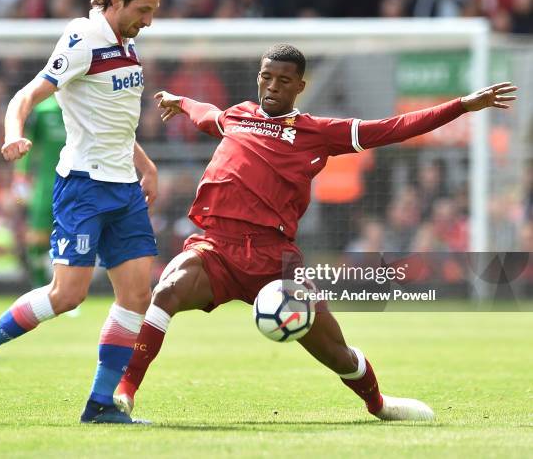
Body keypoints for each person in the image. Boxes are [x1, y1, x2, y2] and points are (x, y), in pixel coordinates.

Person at [114, 44, 517, 421]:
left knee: (337, 353)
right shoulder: (236, 116)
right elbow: (205, 112)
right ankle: (125, 392)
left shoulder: (318, 132)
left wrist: (462, 106)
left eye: (284, 80)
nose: (273, 86)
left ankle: (378, 404)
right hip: (216, 248)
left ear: (300, 86)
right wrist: (178, 102)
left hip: (275, 263)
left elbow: (393, 127)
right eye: (267, 77)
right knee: (165, 292)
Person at [0, 0, 164, 424]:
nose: (148, 21)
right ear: (114, 0)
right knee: (67, 294)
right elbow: (26, 95)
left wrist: (145, 166)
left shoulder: (125, 43)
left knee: (135, 297)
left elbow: (115, 124)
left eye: (153, 11)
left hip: (124, 188)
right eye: (143, 10)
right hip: (84, 186)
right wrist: (12, 132)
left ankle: (101, 404)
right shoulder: (83, 38)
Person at [13, 95, 66, 290]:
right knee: (37, 239)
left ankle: (64, 287)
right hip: (46, 185)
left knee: (71, 237)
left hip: (77, 184)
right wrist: (21, 177)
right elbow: (27, 143)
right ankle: (39, 285)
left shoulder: (84, 106)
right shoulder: (44, 110)